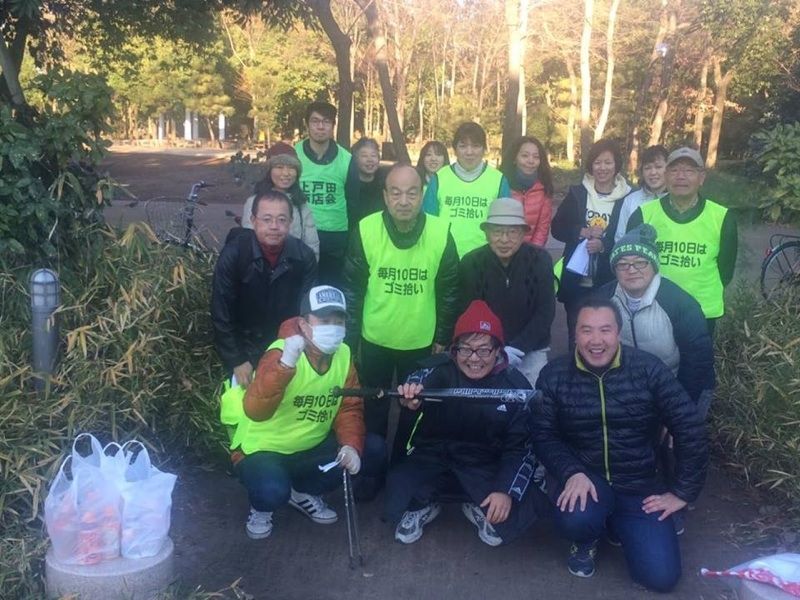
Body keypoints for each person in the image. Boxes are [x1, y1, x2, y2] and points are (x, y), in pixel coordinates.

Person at [532, 298, 708, 591]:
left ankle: (616, 523)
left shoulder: (648, 369)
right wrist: (570, 471)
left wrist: (682, 492)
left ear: (618, 333)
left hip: (640, 484)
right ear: (575, 334)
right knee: (575, 519)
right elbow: (543, 434)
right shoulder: (554, 374)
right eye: (586, 330)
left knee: (661, 578)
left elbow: (690, 427)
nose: (596, 340)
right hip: (587, 481)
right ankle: (587, 537)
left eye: (605, 330)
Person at [220, 285, 386, 539]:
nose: (333, 328)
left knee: (372, 449)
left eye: (339, 321)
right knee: (272, 491)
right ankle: (261, 507)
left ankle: (302, 492)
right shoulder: (281, 352)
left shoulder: (343, 354)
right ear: (304, 324)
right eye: (324, 321)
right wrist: (285, 365)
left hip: (309, 446)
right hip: (263, 448)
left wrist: (350, 445)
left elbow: (349, 406)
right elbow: (255, 410)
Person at [385, 300, 546, 546]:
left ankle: (477, 502)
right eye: (465, 349)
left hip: (483, 463)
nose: (474, 359)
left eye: (484, 350)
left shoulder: (515, 386)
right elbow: (416, 379)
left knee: (517, 505)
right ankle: (425, 503)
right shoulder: (439, 370)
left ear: (498, 350)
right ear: (454, 350)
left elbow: (521, 447)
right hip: (435, 455)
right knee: (397, 486)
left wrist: (505, 490)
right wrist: (410, 395)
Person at [342, 163, 460, 463]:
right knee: (374, 407)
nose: (403, 201)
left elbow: (449, 290)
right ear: (385, 195)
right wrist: (350, 342)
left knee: (415, 407)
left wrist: (443, 336)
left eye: (411, 193)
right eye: (395, 193)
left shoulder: (441, 231)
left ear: (422, 195)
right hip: (374, 339)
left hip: (421, 342)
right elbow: (352, 290)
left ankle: (402, 465)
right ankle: (373, 465)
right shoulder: (366, 229)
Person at [597, 224, 715, 412]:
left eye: (640, 262)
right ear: (614, 269)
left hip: (682, 385)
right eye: (622, 264)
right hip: (629, 389)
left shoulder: (680, 303)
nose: (631, 270)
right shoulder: (602, 299)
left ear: (654, 265)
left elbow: (697, 360)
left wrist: (678, 408)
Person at [211, 190, 317, 388]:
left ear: (291, 222)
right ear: (253, 220)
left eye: (281, 219)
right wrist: (236, 359)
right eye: (266, 219)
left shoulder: (304, 257)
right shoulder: (234, 254)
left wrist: (294, 351)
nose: (274, 226)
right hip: (243, 344)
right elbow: (221, 311)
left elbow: (306, 312)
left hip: (286, 345)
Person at [627, 147, 737, 335]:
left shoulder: (721, 217)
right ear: (666, 175)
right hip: (654, 307)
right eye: (674, 170)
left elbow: (726, 269)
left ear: (701, 177)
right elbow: (630, 262)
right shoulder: (644, 215)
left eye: (689, 170)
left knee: (697, 354)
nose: (681, 176)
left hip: (702, 310)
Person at [459, 197, 555, 386]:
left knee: (533, 398)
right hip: (485, 350)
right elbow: (469, 312)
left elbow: (545, 311)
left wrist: (517, 348)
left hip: (532, 348)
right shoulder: (471, 263)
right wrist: (493, 350)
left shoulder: (541, 260)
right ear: (487, 233)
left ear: (523, 234)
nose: (504, 239)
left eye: (512, 232)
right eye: (497, 231)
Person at [551, 138, 631, 342]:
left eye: (608, 162)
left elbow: (630, 237)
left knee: (606, 332)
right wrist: (580, 231)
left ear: (616, 165)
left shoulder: (628, 198)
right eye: (598, 162)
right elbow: (557, 228)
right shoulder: (577, 193)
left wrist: (604, 246)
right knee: (577, 331)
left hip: (609, 278)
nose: (602, 168)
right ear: (590, 165)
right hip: (576, 279)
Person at [422, 122, 511, 257]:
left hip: (484, 258)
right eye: (463, 146)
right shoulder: (439, 178)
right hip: (445, 257)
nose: (469, 152)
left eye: (475, 146)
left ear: (484, 149)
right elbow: (428, 221)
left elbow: (505, 225)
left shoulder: (498, 180)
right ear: (454, 149)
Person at [295, 101, 352, 287]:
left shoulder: (347, 159)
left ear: (333, 125)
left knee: (330, 291)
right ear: (307, 124)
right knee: (300, 289)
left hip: (335, 237)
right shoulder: (294, 155)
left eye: (326, 121)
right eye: (315, 121)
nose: (321, 126)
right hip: (300, 233)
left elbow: (353, 201)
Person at [241, 142, 320, 259]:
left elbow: (312, 245)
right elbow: (249, 245)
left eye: (291, 168)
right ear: (269, 171)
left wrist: (309, 266)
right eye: (279, 167)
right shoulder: (254, 202)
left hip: (295, 266)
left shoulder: (301, 204)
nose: (286, 173)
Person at [502, 135, 554, 247]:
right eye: (525, 155)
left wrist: (532, 252)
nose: (531, 161)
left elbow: (542, 229)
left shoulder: (544, 188)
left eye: (536, 157)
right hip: (502, 247)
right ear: (514, 158)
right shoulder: (501, 184)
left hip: (530, 251)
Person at [613, 145, 668, 244]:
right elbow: (620, 238)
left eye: (658, 167)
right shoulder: (631, 200)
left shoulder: (677, 200)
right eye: (647, 168)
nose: (653, 172)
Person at [346, 137, 386, 227]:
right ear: (355, 159)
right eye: (364, 156)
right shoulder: (348, 184)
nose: (370, 160)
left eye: (373, 155)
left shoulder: (385, 183)